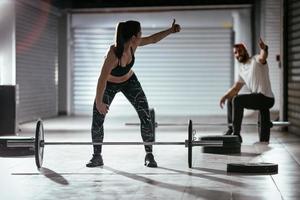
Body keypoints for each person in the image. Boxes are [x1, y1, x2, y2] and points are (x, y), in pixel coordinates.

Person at [86, 19, 181, 168]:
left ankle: (149, 155)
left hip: (130, 81)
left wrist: (170, 30)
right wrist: (99, 102)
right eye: (140, 33)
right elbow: (102, 79)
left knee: (145, 115)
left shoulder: (133, 45)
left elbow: (153, 39)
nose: (142, 35)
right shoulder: (112, 54)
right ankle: (97, 156)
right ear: (133, 37)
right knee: (97, 117)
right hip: (109, 84)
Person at [219, 38, 275, 143]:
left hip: (266, 98)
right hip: (256, 97)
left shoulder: (256, 60)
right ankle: (231, 129)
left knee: (238, 100)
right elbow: (236, 88)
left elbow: (263, 57)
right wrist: (225, 96)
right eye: (235, 52)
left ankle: (236, 135)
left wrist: (264, 48)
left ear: (245, 51)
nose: (237, 54)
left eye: (240, 51)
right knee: (231, 99)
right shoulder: (242, 69)